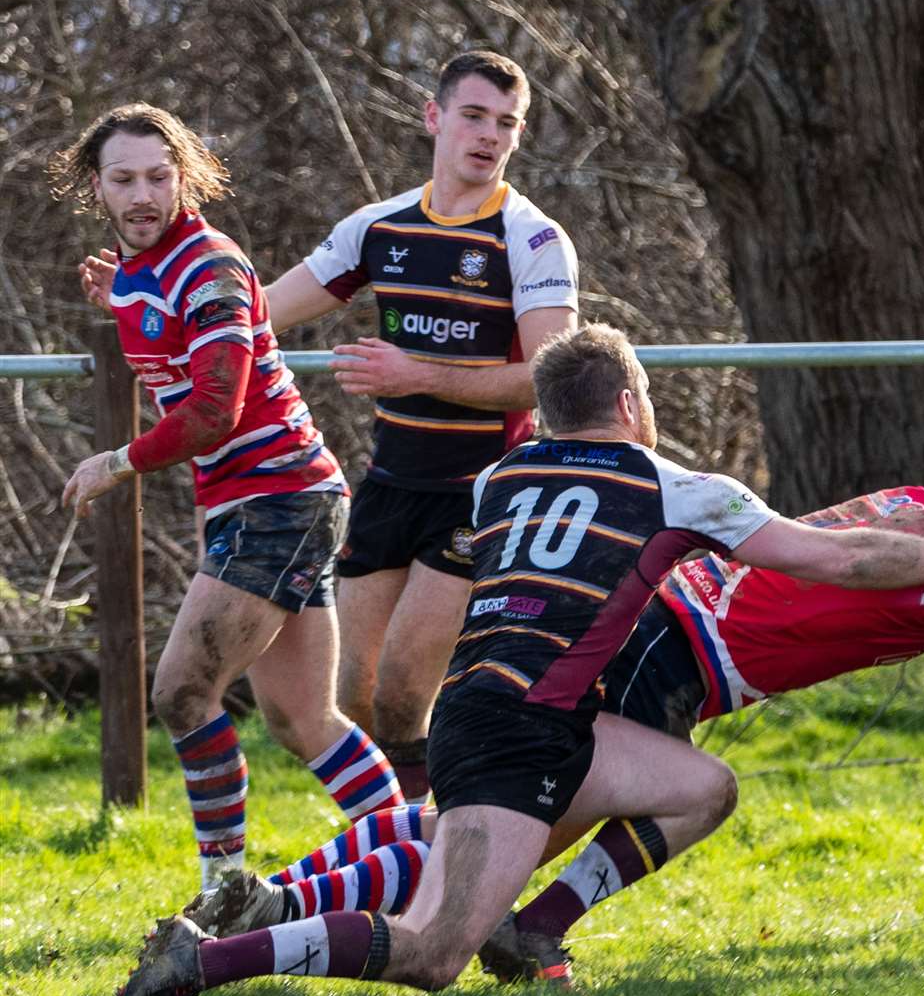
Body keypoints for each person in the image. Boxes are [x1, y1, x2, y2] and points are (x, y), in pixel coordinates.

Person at [113, 324, 924, 996]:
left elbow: (464, 600)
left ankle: (534, 922)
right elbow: (830, 557)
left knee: (703, 786)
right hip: (516, 733)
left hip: (519, 714)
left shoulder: (497, 480)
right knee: (433, 950)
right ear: (631, 403)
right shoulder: (677, 485)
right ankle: (204, 960)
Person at [176, 432, 924, 984]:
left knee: (486, 836)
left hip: (662, 640)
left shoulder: (915, 522)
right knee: (484, 858)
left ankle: (286, 906)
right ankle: (292, 917)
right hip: (666, 658)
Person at [79, 51, 580, 804]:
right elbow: (250, 315)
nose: (489, 136)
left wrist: (417, 375)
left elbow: (550, 376)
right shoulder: (378, 227)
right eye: (474, 116)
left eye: (507, 124)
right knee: (351, 699)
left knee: (408, 691)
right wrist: (142, 294)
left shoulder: (532, 238)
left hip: (479, 489)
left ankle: (443, 867)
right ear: (434, 117)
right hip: (386, 484)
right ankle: (409, 858)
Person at [52, 104, 404, 889]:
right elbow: (160, 319)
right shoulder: (146, 269)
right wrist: (120, 292)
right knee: (303, 720)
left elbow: (214, 411)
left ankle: (226, 893)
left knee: (181, 691)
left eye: (158, 176)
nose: (142, 195)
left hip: (278, 499)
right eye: (123, 179)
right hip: (280, 500)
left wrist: (117, 461)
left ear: (185, 175)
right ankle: (427, 858)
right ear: (96, 189)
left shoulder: (208, 265)